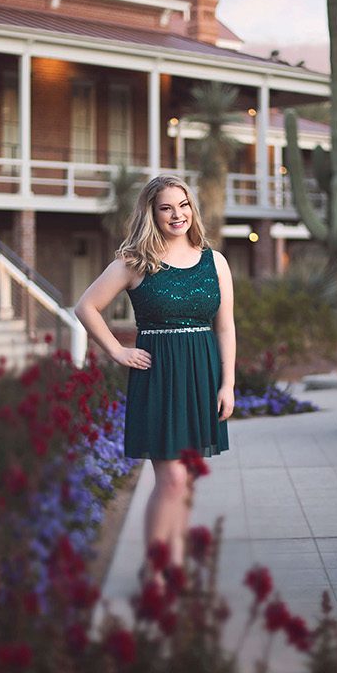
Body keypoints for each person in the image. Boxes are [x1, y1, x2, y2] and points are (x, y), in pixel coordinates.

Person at [75, 173, 235, 582]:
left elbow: (225, 327)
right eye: (166, 207)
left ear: (192, 209)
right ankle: (156, 569)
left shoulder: (214, 260)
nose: (176, 214)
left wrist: (227, 383)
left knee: (184, 478)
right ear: (152, 212)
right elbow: (86, 307)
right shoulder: (135, 261)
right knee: (173, 477)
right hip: (159, 375)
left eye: (183, 205)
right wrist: (117, 350)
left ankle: (171, 559)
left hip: (201, 373)